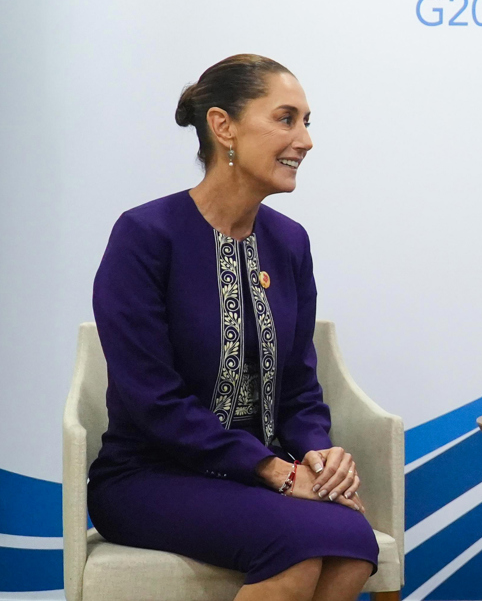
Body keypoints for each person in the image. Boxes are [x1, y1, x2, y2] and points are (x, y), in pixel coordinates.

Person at [89, 54, 378, 601]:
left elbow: (297, 385)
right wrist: (276, 472)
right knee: (298, 548)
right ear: (223, 125)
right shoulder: (145, 237)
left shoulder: (290, 243)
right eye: (286, 118)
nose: (306, 140)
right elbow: (153, 400)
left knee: (352, 542)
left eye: (307, 122)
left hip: (255, 476)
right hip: (147, 477)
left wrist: (318, 454)